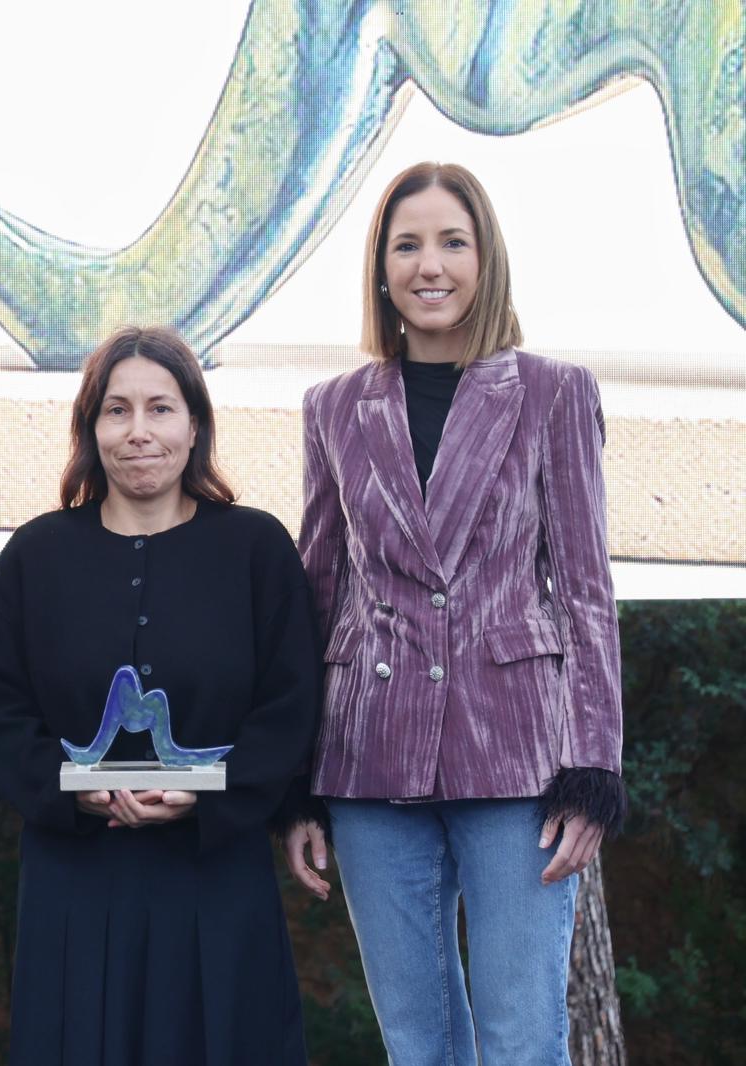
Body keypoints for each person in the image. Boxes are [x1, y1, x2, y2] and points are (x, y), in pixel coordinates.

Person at [284, 161, 626, 1066]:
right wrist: (298, 778)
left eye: (451, 241)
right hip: (367, 759)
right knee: (418, 1044)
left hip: (518, 759)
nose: (428, 264)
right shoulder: (332, 409)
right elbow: (320, 588)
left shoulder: (555, 393)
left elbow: (588, 590)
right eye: (406, 244)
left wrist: (592, 766)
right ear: (381, 267)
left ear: (486, 259)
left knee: (523, 1043)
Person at [0, 325, 320, 1065]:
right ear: (91, 430)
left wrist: (215, 796)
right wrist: (67, 792)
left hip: (216, 873)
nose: (139, 432)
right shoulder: (36, 554)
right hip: (76, 879)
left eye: (160, 409)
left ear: (196, 426)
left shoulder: (256, 549)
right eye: (117, 410)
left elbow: (291, 703)